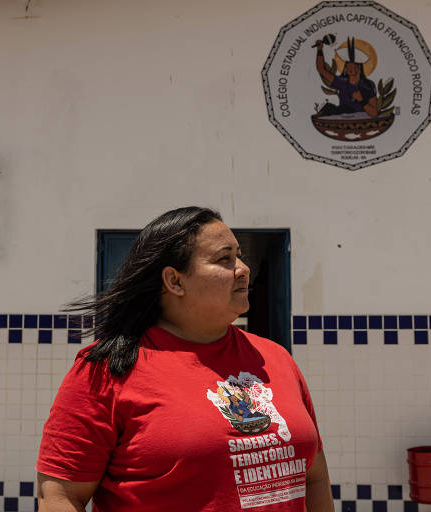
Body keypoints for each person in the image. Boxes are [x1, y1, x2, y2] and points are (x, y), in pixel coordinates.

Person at [36, 206, 333, 512]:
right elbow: (60, 496)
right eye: (224, 259)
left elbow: (314, 477)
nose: (243, 268)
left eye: (240, 256)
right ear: (175, 281)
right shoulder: (106, 368)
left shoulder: (276, 358)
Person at [314, 37, 378, 118]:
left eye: (353, 66)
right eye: (348, 66)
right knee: (328, 107)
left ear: (359, 68)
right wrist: (319, 50)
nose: (350, 69)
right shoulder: (341, 82)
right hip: (343, 116)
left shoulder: (368, 85)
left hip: (361, 118)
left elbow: (374, 113)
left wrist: (361, 100)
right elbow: (321, 69)